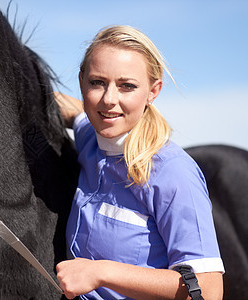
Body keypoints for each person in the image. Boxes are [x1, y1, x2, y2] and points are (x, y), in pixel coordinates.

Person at [54, 25, 224, 300]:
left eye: (127, 86)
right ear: (82, 80)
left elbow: (209, 290)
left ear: (152, 92)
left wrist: (102, 272)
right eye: (97, 82)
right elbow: (74, 110)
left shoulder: (172, 172)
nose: (109, 100)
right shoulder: (91, 135)